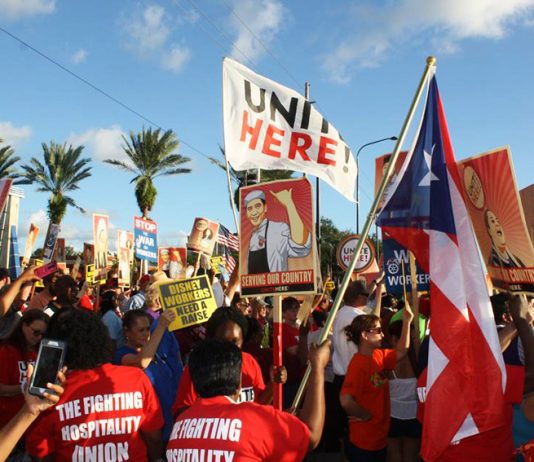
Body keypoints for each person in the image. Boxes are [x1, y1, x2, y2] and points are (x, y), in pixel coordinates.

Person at [26, 309, 164, 461]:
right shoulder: (136, 378)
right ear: (101, 338)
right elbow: (153, 437)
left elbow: (40, 453)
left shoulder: (51, 394)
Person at [166, 338, 330, 461]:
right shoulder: (253, 418)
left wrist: (279, 423)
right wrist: (317, 366)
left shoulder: (181, 423)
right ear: (238, 379)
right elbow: (311, 435)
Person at [173, 307, 286, 414]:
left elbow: (259, 404)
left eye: (235, 342)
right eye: (223, 341)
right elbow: (180, 412)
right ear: (211, 339)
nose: (229, 348)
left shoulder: (249, 362)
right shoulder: (197, 366)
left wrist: (273, 384)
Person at [340, 305, 413, 462]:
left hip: (378, 439)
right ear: (365, 335)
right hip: (364, 443)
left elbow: (402, 351)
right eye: (378, 331)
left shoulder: (379, 355)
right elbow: (345, 400)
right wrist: (365, 415)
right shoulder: (358, 365)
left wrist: (407, 322)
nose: (382, 334)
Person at [114, 309, 179, 441]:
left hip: (167, 421)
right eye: (140, 330)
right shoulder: (121, 355)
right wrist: (161, 326)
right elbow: (142, 361)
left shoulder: (154, 352)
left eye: (148, 329)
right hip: (148, 430)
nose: (145, 334)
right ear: (127, 332)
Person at [0, 363, 65, 462]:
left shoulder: (34, 354)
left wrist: (29, 411)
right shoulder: (7, 351)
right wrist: (22, 388)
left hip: (22, 431)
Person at [0, 310, 49, 433]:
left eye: (43, 334)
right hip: (7, 423)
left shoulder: (41, 353)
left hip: (30, 422)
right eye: (36, 332)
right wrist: (24, 387)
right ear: (24, 326)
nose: (39, 338)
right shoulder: (7, 351)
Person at [243, 189, 311, 274]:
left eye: (258, 206)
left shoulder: (277, 228)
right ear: (246, 213)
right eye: (249, 209)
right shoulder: (253, 237)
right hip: (255, 287)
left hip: (277, 286)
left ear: (265, 208)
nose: (253, 212)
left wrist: (289, 205)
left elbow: (301, 246)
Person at [386, 320, 421, 462]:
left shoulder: (387, 360)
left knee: (394, 455)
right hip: (414, 416)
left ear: (394, 338)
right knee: (410, 457)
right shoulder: (418, 358)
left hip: (392, 415)